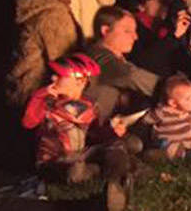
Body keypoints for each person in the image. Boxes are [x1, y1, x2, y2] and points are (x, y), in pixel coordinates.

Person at [21, 54, 130, 186]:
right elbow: (28, 122)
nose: (53, 78)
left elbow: (95, 134)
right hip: (54, 160)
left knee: (119, 145)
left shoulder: (89, 106)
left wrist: (112, 132)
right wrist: (39, 96)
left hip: (79, 154)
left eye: (60, 75)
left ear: (80, 81)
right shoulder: (46, 103)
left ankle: (116, 178)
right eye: (54, 74)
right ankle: (106, 174)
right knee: (75, 171)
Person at [83, 6, 161, 122]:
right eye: (127, 31)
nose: (135, 37)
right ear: (105, 30)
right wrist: (173, 88)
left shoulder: (113, 57)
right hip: (93, 132)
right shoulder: (99, 58)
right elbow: (131, 75)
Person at [139, 74, 191, 159]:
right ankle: (163, 154)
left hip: (186, 140)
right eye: (188, 99)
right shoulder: (163, 112)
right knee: (172, 148)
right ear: (173, 103)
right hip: (169, 142)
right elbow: (145, 121)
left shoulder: (188, 111)